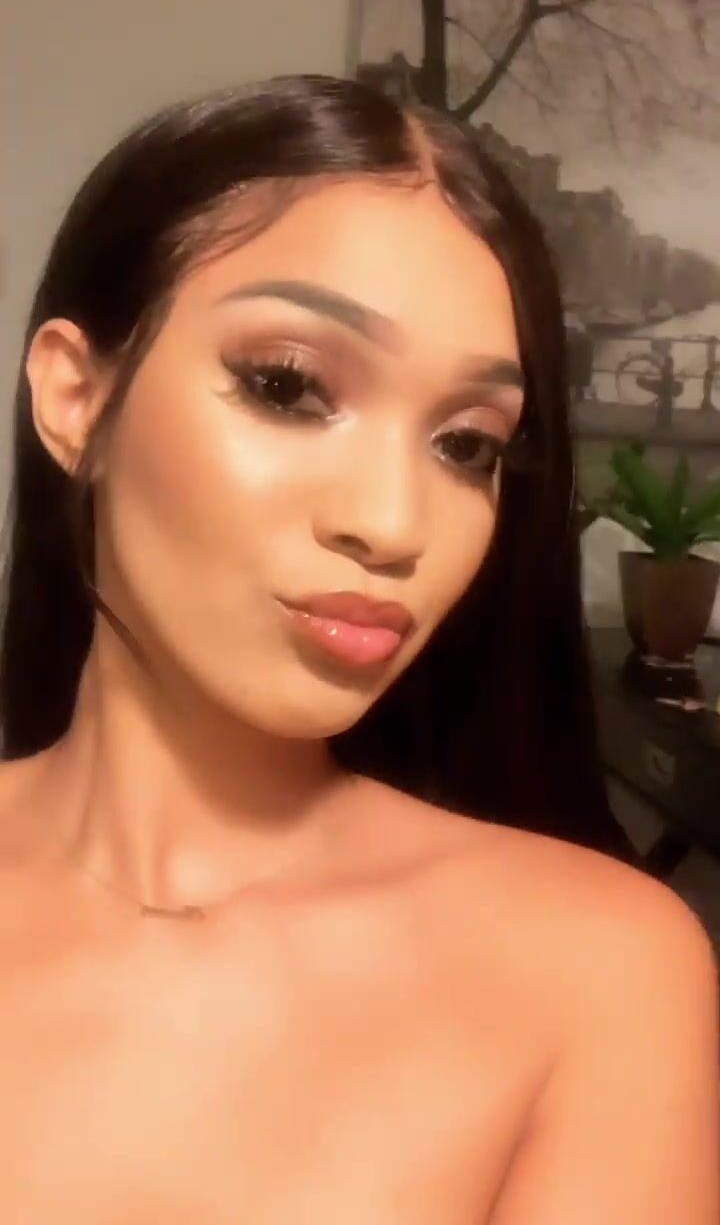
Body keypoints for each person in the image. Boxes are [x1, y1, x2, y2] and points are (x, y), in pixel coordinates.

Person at [0, 75, 716, 1221]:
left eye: (467, 445)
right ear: (76, 395)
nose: (391, 523)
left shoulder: (597, 970)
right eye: (287, 385)